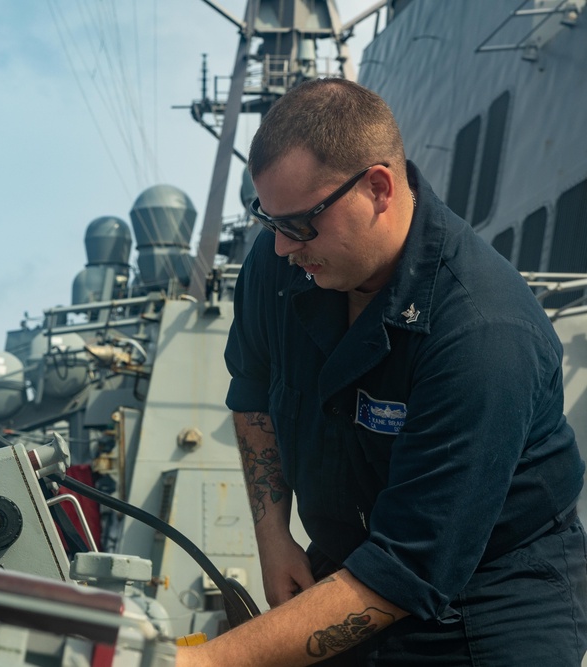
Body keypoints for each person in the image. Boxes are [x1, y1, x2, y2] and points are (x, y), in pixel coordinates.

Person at [177, 78, 587, 666]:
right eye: (268, 221)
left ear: (377, 188)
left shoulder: (483, 332)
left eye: (299, 224)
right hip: (345, 569)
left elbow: (410, 567)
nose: (281, 249)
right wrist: (273, 539)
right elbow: (254, 395)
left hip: (491, 610)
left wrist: (200, 662)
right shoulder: (281, 267)